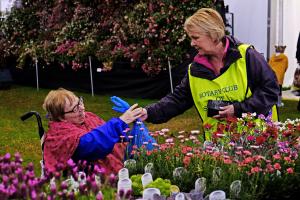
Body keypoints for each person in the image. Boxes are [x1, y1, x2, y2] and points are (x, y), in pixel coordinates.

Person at [140, 8, 279, 141]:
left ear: (213, 34)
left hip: (258, 144)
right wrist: (148, 113)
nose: (192, 43)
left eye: (195, 37)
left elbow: (270, 90)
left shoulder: (247, 55)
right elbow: (177, 100)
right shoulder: (194, 70)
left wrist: (238, 110)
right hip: (218, 151)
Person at [42, 88, 143, 173]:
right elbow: (91, 145)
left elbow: (108, 134)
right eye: (75, 109)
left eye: (80, 102)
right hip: (95, 182)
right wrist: (120, 122)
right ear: (61, 117)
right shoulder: (59, 134)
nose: (81, 108)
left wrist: (130, 136)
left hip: (121, 165)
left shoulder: (88, 116)